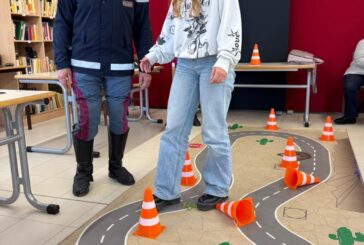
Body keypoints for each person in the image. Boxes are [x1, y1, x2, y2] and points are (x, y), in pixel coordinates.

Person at [140, 0, 242, 211]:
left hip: (213, 61)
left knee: (213, 130)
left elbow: (231, 24)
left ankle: (217, 188)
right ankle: (166, 191)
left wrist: (224, 61)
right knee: (173, 129)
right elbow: (170, 31)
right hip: (185, 65)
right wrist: (153, 55)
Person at [54, 0, 153, 197]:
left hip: (120, 66)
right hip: (83, 64)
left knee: (118, 116)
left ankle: (116, 167)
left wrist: (145, 65)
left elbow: (142, 27)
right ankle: (83, 172)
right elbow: (62, 23)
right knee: (88, 119)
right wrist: (62, 62)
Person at [335, 39, 364, 125]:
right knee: (349, 86)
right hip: (357, 72)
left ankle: (360, 109)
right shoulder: (362, 42)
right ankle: (350, 117)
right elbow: (359, 60)